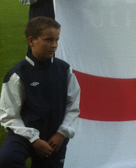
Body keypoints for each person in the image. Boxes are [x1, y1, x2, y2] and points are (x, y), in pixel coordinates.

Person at [0, 17, 80, 168]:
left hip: (54, 137)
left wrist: (62, 133)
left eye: (57, 40)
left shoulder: (65, 70)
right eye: (48, 40)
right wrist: (34, 140)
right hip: (24, 134)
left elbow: (73, 105)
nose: (54, 45)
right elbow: (9, 116)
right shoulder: (18, 74)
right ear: (31, 41)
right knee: (7, 159)